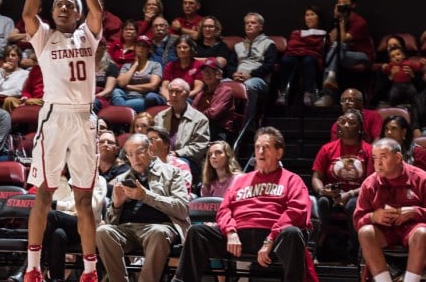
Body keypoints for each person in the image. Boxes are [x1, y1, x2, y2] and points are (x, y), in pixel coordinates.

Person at [22, 0, 103, 282]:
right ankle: (33, 268)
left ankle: (89, 270)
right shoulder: (43, 38)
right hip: (54, 116)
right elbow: (28, 13)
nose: (64, 8)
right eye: (59, 4)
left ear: (79, 13)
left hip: (84, 117)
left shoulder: (88, 35)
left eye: (70, 4)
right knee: (45, 192)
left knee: (84, 199)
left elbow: (97, 7)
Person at [173, 127, 315, 282]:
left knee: (293, 233)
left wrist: (270, 238)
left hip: (273, 238)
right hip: (238, 238)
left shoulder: (292, 180)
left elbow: (297, 211)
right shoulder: (241, 180)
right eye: (257, 147)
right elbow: (224, 209)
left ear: (279, 153)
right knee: (197, 232)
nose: (260, 152)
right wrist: (230, 231)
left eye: (266, 147)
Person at [96, 133, 190, 282]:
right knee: (103, 231)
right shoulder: (122, 179)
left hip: (159, 226)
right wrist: (117, 205)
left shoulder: (172, 172)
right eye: (130, 154)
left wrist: (145, 196)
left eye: (139, 152)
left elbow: (182, 208)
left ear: (150, 150)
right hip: (128, 229)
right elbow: (110, 222)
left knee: (158, 233)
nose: (135, 158)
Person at [354, 138, 426, 282]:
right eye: (374, 158)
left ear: (398, 157)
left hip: (412, 230)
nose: (377, 164)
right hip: (384, 231)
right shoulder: (370, 183)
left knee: (422, 233)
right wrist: (373, 217)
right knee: (365, 232)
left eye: (383, 157)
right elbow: (357, 221)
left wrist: (415, 212)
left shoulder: (421, 178)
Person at [312, 109, 373, 262]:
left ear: (359, 127)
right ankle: (323, 241)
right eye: (343, 121)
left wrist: (350, 194)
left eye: (351, 123)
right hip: (333, 195)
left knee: (352, 205)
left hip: (357, 195)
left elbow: (371, 181)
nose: (346, 125)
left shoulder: (368, 150)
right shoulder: (327, 149)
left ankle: (354, 245)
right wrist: (322, 190)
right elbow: (316, 177)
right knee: (323, 202)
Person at [43, 172, 108, 282]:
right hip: (70, 225)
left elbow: (88, 206)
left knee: (51, 216)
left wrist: (57, 204)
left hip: (88, 227)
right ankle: (56, 279)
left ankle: (31, 266)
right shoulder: (72, 178)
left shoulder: (98, 180)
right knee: (58, 234)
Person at [315, 0, 374, 107]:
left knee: (335, 52)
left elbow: (343, 40)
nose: (342, 5)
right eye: (339, 3)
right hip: (343, 54)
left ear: (353, 5)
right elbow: (332, 39)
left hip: (363, 55)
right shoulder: (339, 20)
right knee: (337, 50)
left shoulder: (359, 21)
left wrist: (342, 21)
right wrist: (337, 20)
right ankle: (331, 78)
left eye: (345, 2)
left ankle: (328, 95)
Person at [154, 78, 211, 180]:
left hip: (187, 160)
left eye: (178, 91)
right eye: (171, 91)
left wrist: (177, 153)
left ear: (187, 94)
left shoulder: (200, 119)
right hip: (162, 157)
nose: (174, 95)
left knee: (177, 166)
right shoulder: (160, 117)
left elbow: (199, 146)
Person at [276, 5, 327, 107]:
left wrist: (303, 46)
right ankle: (283, 93)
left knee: (309, 60)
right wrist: (307, 47)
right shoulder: (297, 32)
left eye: (312, 14)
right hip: (295, 55)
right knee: (286, 60)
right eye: (307, 15)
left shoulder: (323, 33)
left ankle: (309, 94)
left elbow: (318, 48)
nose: (309, 17)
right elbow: (292, 45)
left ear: (319, 18)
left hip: (312, 57)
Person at [232, 12, 277, 122]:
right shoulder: (238, 46)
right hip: (238, 78)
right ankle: (225, 120)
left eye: (253, 23)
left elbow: (269, 65)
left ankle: (248, 122)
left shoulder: (269, 43)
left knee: (249, 85)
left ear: (260, 27)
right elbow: (230, 65)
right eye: (247, 23)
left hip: (259, 80)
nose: (249, 25)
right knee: (223, 83)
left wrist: (251, 75)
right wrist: (233, 74)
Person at [110, 35, 164, 112]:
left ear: (149, 50)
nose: (141, 48)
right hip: (126, 96)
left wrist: (128, 87)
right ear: (134, 48)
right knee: (116, 91)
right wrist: (135, 65)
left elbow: (153, 86)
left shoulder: (155, 65)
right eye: (139, 45)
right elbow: (121, 83)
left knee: (141, 100)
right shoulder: (127, 66)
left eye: (144, 46)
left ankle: (121, 111)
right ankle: (124, 111)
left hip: (143, 98)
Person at [192, 58, 236, 142]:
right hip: (201, 126)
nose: (207, 74)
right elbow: (192, 110)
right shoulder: (201, 93)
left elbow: (213, 114)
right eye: (204, 71)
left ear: (218, 74)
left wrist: (195, 118)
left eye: (210, 71)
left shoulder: (226, 91)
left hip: (219, 132)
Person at [161, 35, 204, 101]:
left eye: (185, 47)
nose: (182, 50)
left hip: (188, 98)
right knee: (151, 97)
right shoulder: (170, 66)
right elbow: (164, 88)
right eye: (179, 47)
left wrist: (181, 98)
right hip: (170, 98)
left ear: (191, 49)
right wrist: (169, 99)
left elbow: (198, 89)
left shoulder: (198, 65)